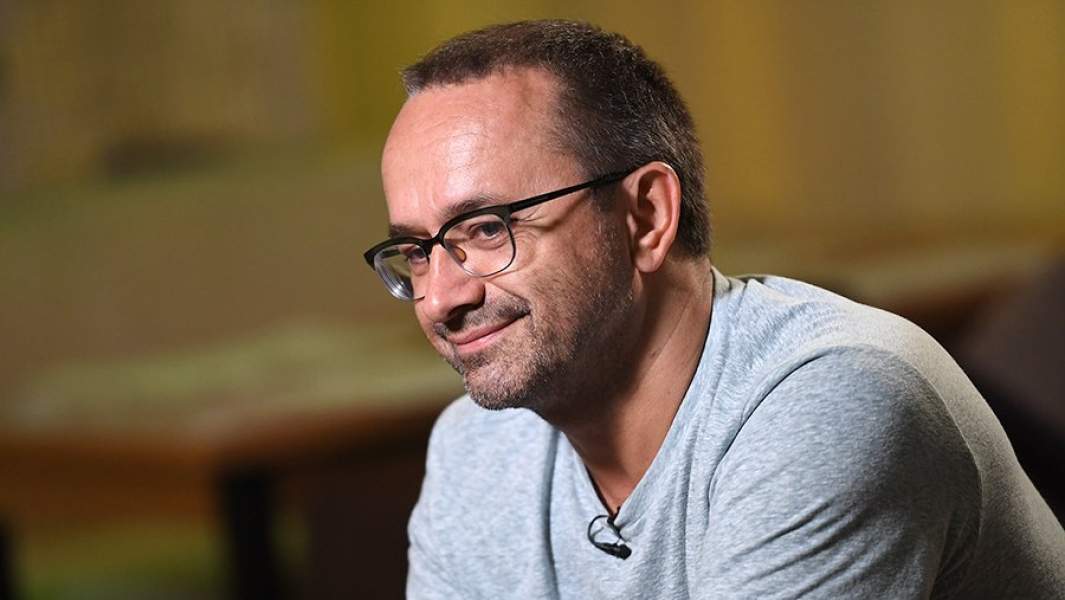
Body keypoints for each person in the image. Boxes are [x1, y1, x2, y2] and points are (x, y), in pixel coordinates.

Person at [362, 19, 1065, 599]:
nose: (441, 297)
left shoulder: (832, 400)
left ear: (646, 217)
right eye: (416, 252)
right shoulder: (476, 448)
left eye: (488, 229)